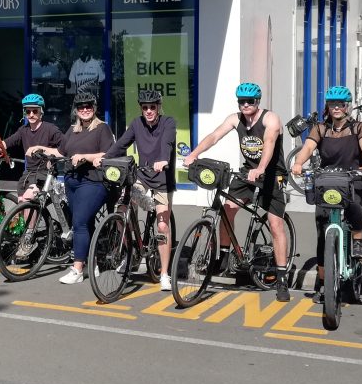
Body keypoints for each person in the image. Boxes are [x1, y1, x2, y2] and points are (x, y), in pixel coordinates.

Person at [183, 82, 292, 302]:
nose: (245, 105)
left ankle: (281, 278)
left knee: (275, 223)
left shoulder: (271, 119)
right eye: (241, 101)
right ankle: (223, 257)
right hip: (248, 173)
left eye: (249, 101)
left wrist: (261, 169)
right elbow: (215, 136)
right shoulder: (235, 119)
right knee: (227, 209)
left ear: (257, 102)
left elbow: (270, 142)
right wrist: (194, 154)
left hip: (272, 174)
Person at [290, 85, 362, 302]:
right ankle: (323, 283)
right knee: (322, 230)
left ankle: (357, 241)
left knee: (353, 205)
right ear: (328, 107)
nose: (336, 108)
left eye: (340, 104)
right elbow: (308, 148)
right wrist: (299, 163)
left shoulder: (359, 127)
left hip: (353, 179)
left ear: (347, 106)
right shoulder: (320, 129)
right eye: (332, 104)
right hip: (327, 182)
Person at [31, 92, 115, 285]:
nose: (85, 110)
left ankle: (77, 268)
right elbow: (61, 152)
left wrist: (85, 156)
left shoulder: (102, 128)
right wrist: (40, 149)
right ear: (76, 110)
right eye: (81, 107)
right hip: (72, 182)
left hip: (93, 181)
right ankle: (92, 262)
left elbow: (108, 153)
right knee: (86, 222)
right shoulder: (72, 130)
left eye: (88, 106)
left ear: (94, 108)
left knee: (79, 223)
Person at [0, 93, 65, 258]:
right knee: (22, 202)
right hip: (28, 173)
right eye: (28, 111)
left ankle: (29, 238)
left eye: (35, 111)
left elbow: (65, 148)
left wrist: (44, 151)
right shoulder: (23, 130)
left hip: (44, 173)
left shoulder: (51, 129)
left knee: (29, 198)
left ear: (41, 112)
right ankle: (30, 234)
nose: (31, 115)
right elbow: (5, 143)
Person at [104, 89, 176, 290]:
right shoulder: (137, 123)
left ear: (159, 107)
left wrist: (163, 160)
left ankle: (164, 274)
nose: (149, 111)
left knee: (162, 226)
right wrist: (106, 157)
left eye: (153, 107)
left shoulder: (168, 122)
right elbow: (122, 144)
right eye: (145, 107)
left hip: (162, 178)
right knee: (122, 210)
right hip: (142, 175)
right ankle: (130, 252)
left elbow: (167, 143)